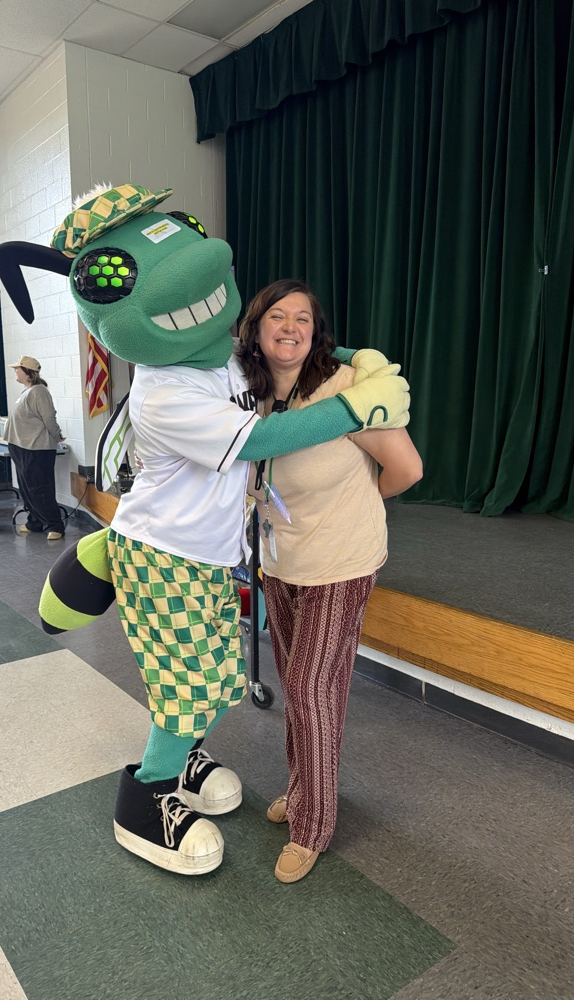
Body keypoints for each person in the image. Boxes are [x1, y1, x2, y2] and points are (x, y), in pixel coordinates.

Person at [0, 182, 410, 879]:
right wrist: (359, 409)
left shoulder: (221, 352)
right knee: (186, 683)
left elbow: (284, 356)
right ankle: (147, 794)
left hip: (210, 559)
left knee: (212, 678)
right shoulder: (164, 393)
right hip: (165, 558)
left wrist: (353, 363)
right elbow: (259, 438)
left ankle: (183, 760)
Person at [237, 279, 423, 884]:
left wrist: (354, 512)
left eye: (303, 319)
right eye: (277, 316)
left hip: (340, 564)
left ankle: (312, 825)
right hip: (281, 561)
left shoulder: (347, 390)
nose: (290, 327)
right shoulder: (252, 393)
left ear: (317, 333)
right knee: (298, 686)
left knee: (314, 693)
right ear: (256, 327)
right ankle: (302, 787)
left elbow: (406, 470)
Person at [4, 355, 65, 540]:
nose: (15, 371)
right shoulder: (27, 391)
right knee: (27, 488)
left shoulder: (39, 391)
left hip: (36, 448)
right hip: (22, 446)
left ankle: (55, 525)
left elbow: (49, 418)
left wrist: (57, 436)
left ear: (28, 373)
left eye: (18, 369)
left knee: (39, 488)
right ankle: (35, 522)